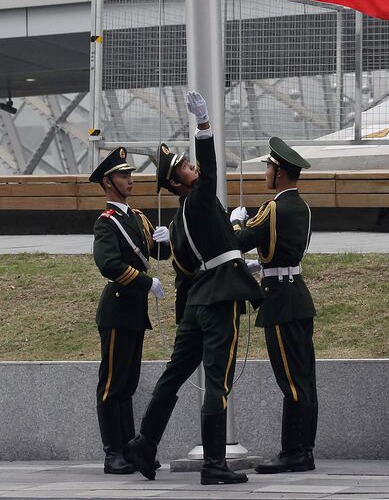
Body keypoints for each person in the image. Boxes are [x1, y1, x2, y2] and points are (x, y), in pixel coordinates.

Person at [125, 91, 263, 486]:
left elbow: (188, 268)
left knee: (174, 375)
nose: (192, 168)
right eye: (184, 167)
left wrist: (236, 250)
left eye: (188, 163)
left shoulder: (182, 217)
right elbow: (212, 168)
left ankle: (145, 443)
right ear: (176, 181)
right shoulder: (200, 199)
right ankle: (215, 465)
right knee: (218, 380)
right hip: (219, 302)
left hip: (197, 305)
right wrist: (203, 126)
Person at [230, 137, 318, 474]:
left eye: (268, 167)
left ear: (279, 173)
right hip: (297, 294)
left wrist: (237, 220)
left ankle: (294, 452)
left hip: (281, 302)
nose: (265, 172)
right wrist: (261, 265)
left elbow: (239, 240)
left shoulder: (273, 208)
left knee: (292, 381)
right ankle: (303, 449)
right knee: (304, 379)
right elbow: (283, 250)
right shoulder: (302, 207)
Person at [91, 146, 170, 475]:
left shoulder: (137, 218)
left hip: (134, 313)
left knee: (128, 384)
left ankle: (129, 449)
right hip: (118, 307)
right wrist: (144, 282)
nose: (130, 180)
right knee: (111, 385)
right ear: (108, 182)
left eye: (130, 174)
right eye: (124, 175)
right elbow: (108, 264)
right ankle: (114, 452)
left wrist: (167, 238)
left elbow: (161, 253)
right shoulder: (106, 222)